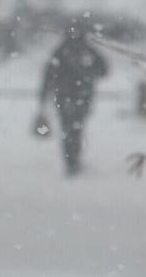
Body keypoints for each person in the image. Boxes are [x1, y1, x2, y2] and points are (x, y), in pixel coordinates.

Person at [36, 19, 109, 176]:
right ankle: (74, 160)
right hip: (82, 97)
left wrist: (43, 98)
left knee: (68, 129)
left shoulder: (61, 50)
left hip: (65, 98)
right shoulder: (88, 50)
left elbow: (48, 75)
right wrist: (89, 74)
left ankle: (71, 161)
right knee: (76, 129)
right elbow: (104, 70)